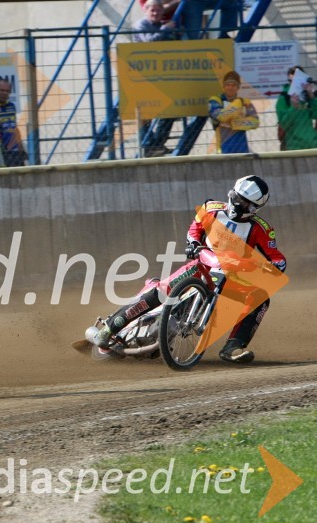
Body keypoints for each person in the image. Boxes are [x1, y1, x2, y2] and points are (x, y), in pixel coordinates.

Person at [88, 175, 286, 363]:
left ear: (254, 207)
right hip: (202, 264)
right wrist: (192, 243)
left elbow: (277, 258)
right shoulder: (211, 209)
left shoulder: (262, 229)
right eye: (236, 197)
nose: (237, 204)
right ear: (231, 193)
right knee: (162, 290)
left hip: (232, 277)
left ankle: (233, 347)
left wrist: (271, 268)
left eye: (243, 202)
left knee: (261, 298)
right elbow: (195, 229)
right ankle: (111, 328)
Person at [133, 0, 179, 157]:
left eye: (158, 10)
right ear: (145, 11)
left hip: (164, 78)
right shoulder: (141, 25)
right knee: (145, 114)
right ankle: (148, 146)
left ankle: (157, 144)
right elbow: (149, 42)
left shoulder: (162, 25)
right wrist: (166, 29)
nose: (155, 13)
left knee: (171, 112)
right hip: (144, 78)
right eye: (152, 10)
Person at [208, 71, 259, 154]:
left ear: (238, 87)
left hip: (242, 146)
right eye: (228, 85)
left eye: (233, 85)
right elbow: (221, 117)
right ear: (223, 86)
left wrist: (237, 123)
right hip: (223, 146)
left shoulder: (245, 102)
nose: (230, 88)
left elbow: (255, 122)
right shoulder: (216, 100)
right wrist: (238, 103)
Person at [276, 65, 317, 151]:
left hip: (312, 145)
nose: (293, 84)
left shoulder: (307, 96)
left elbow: (315, 115)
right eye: (291, 81)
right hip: (293, 147)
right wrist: (293, 108)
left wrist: (312, 97)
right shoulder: (284, 98)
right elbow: (285, 124)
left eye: (296, 81)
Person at [0, 78, 28, 167]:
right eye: (2, 90)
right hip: (2, 151)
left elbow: (15, 128)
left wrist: (21, 148)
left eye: (7, 91)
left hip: (15, 152)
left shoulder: (11, 106)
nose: (4, 93)